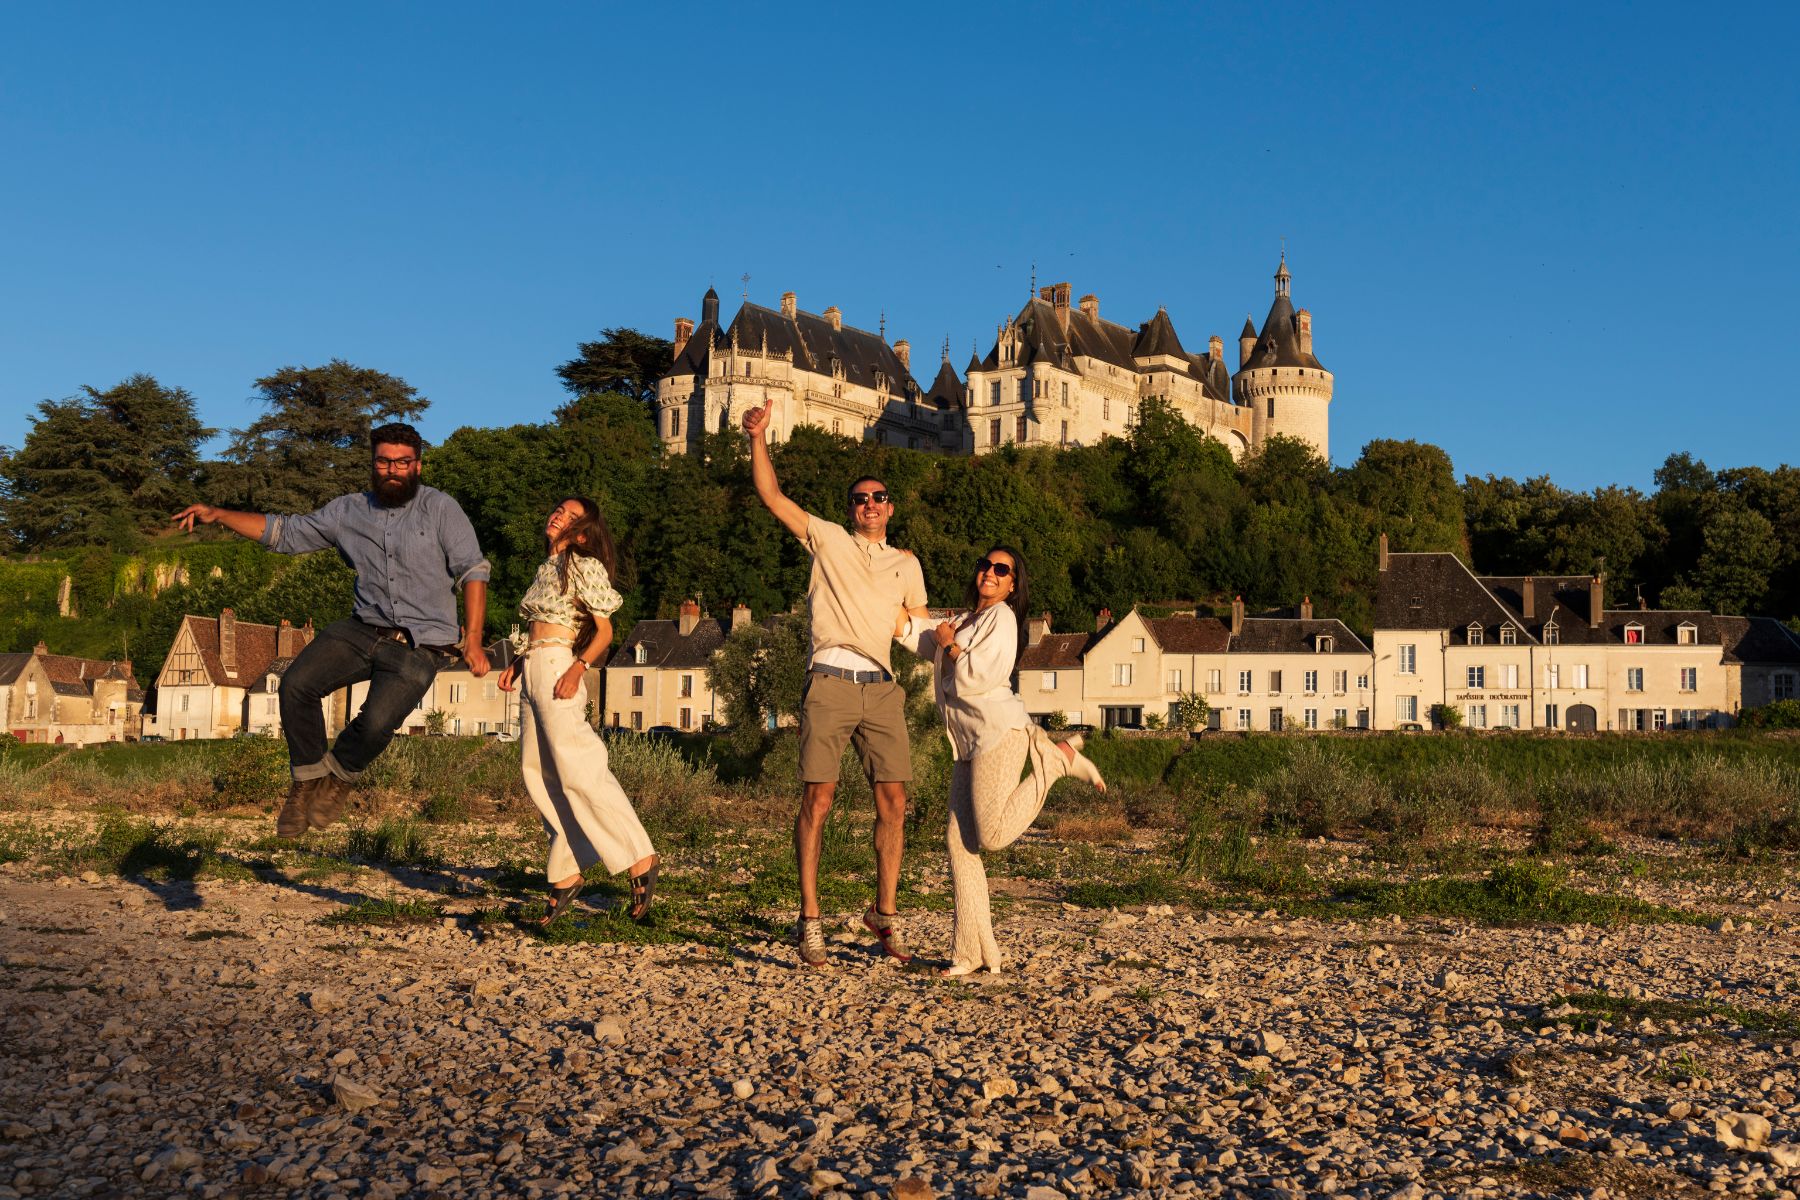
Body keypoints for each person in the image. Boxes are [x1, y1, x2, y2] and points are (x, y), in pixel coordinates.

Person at [172, 423, 491, 836]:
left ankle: (339, 776)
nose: (392, 469)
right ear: (373, 463)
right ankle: (305, 784)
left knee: (376, 723)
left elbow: (473, 570)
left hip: (422, 643)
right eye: (384, 461)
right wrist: (219, 515)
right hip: (362, 629)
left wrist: (476, 640)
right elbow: (285, 533)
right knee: (295, 686)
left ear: (418, 465)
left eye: (402, 462)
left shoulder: (441, 509)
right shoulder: (347, 511)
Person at [742, 402, 927, 968]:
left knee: (894, 801)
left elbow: (916, 629)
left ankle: (885, 917)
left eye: (877, 497)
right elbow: (773, 498)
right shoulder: (827, 538)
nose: (868, 504)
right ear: (850, 509)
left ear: (890, 507)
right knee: (818, 799)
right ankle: (810, 920)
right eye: (859, 498)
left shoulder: (906, 563)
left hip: (883, 686)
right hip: (831, 677)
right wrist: (758, 437)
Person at [900, 546, 1105, 977]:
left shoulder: (1002, 619)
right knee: (959, 845)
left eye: (1001, 569)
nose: (989, 573)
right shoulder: (963, 620)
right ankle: (971, 951)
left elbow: (979, 676)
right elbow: (914, 633)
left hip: (1000, 733)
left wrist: (950, 645)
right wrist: (893, 576)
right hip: (968, 741)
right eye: (985, 565)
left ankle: (1054, 762)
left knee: (989, 837)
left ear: (1013, 584)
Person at [496, 497, 659, 924]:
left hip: (559, 666)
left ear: (584, 534)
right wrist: (518, 663)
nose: (558, 516)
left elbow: (604, 631)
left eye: (571, 517)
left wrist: (579, 667)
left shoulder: (583, 565)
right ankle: (566, 871)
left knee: (580, 768)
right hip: (534, 666)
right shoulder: (546, 568)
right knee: (539, 774)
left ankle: (640, 856)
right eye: (558, 510)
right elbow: (540, 625)